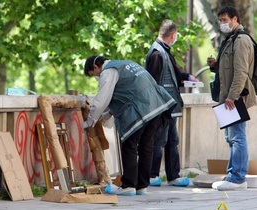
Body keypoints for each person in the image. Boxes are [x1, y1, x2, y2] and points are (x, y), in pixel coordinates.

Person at [82, 55, 177, 196]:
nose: (96, 77)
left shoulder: (108, 71)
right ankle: (141, 186)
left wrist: (89, 122)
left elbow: (102, 99)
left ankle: (128, 186)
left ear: (96, 67)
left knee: (129, 146)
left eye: (93, 74)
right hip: (157, 106)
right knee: (146, 146)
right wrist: (103, 117)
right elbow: (123, 93)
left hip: (141, 109)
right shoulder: (125, 64)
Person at [207, 6, 257, 191]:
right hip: (226, 96)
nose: (222, 24)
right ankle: (233, 175)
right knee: (231, 137)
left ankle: (237, 178)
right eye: (220, 20)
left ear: (235, 19)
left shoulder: (241, 40)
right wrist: (215, 66)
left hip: (235, 97)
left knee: (237, 137)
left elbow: (241, 71)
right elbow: (229, 68)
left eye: (225, 20)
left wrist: (232, 96)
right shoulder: (229, 39)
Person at [145, 19, 199, 187]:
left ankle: (173, 176)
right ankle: (153, 175)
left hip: (170, 106)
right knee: (159, 140)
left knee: (172, 141)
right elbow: (153, 82)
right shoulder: (157, 53)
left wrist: (186, 77)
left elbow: (172, 74)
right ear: (173, 35)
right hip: (162, 107)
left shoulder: (164, 51)